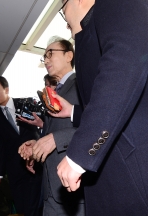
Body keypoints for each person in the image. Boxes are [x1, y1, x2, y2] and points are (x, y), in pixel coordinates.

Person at [52, 0, 148, 215]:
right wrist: (74, 112)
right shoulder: (91, 35)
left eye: (62, 9)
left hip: (134, 173)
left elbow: (126, 63)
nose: (65, 18)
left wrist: (81, 154)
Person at [18, 37, 84, 215]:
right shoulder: (55, 92)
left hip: (73, 189)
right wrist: (37, 144)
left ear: (69, 55)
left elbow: (98, 125)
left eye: (50, 54)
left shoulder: (84, 83)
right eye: (44, 57)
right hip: (50, 189)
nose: (46, 60)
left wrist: (56, 139)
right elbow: (51, 133)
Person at [0, 75, 42, 216]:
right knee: (23, 208)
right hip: (15, 168)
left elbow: (41, 127)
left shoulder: (26, 102)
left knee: (39, 205)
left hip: (36, 162)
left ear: (6, 89)